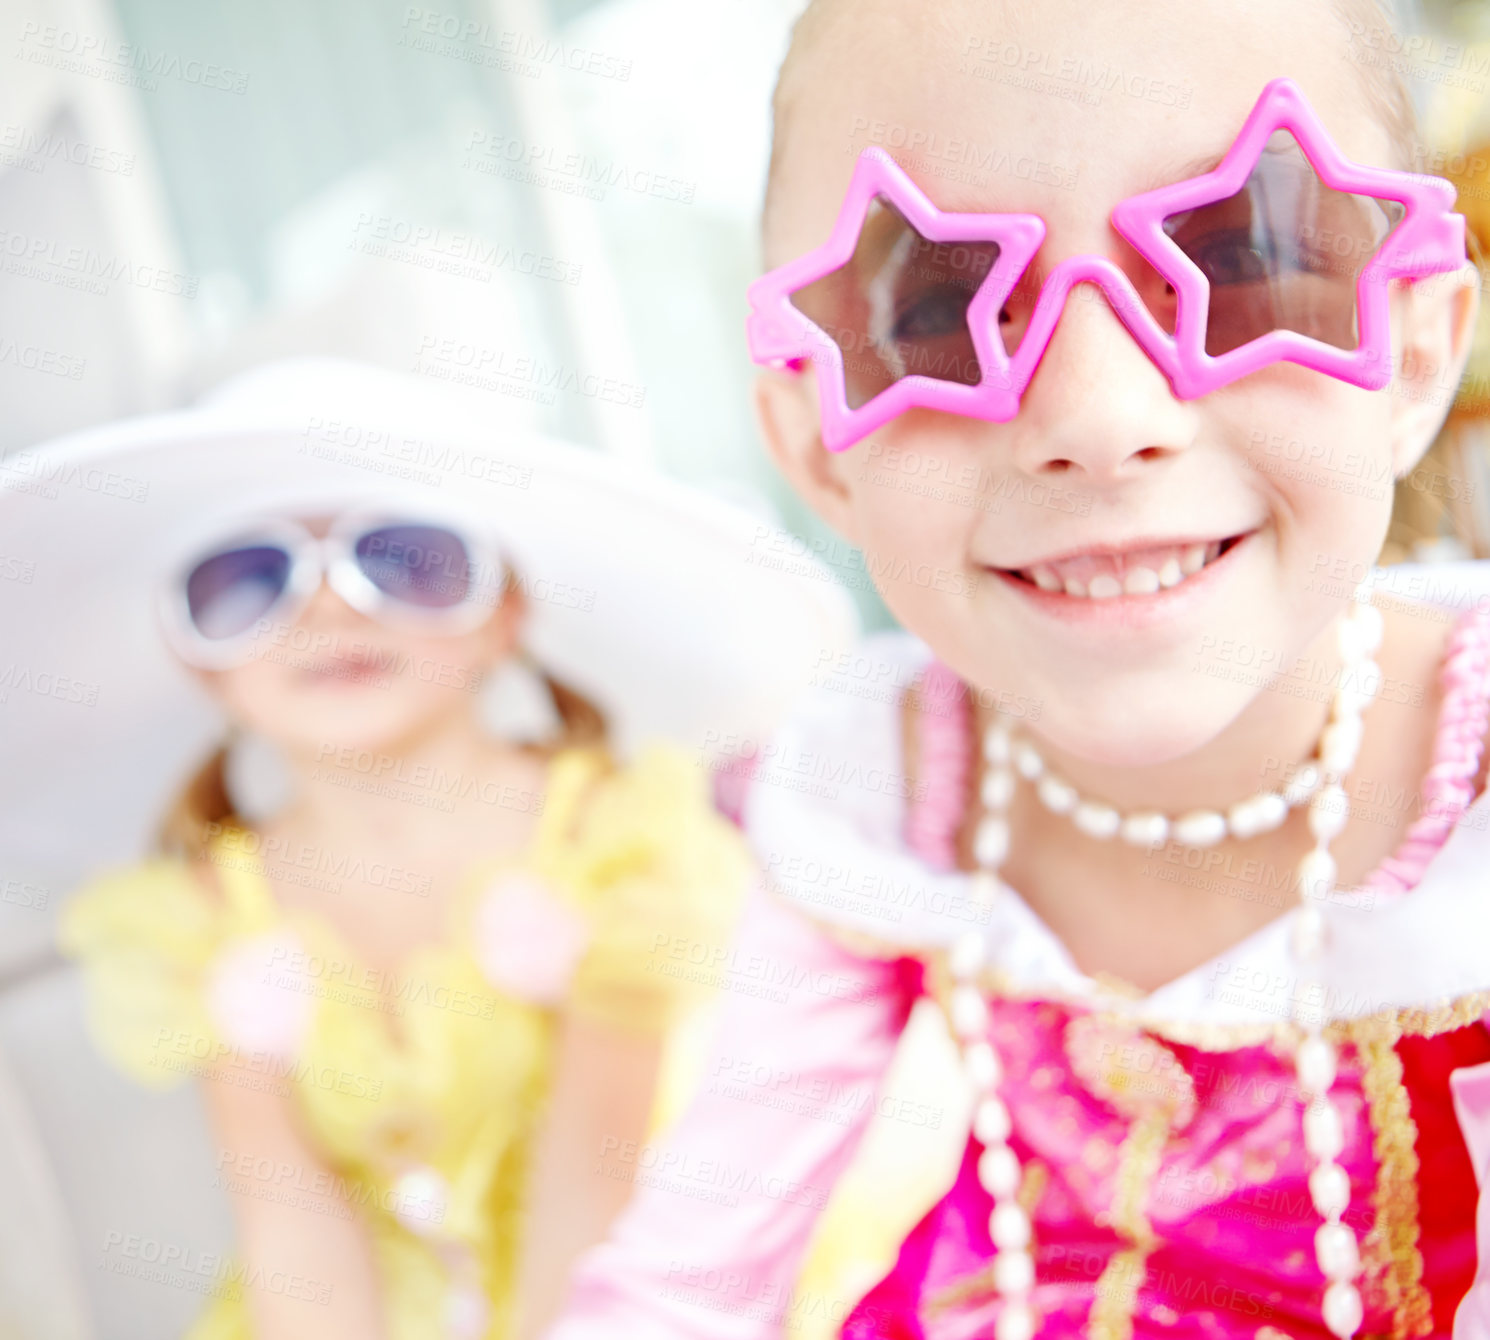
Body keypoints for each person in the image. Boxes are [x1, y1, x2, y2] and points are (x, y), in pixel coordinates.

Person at [546, 1, 1490, 1337]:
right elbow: (684, 1279)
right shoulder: (881, 784)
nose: (1100, 420)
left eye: (1242, 255)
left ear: (1413, 355)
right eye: (938, 306)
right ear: (814, 449)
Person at [8, 358, 853, 1340]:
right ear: (205, 665)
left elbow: (597, 1175)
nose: (328, 609)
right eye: (247, 583)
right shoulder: (206, 915)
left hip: (640, 1292)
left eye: (404, 560)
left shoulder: (603, 845)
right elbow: (294, 1233)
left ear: (503, 616)